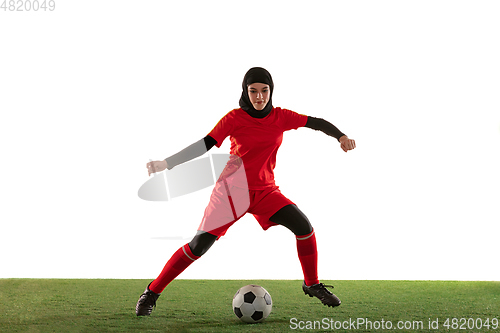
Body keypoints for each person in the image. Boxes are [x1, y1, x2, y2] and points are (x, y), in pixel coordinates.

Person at [136, 67, 356, 316]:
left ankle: (312, 284)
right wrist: (168, 163)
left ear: (271, 91)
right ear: (245, 91)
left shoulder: (281, 117)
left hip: (266, 192)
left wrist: (341, 136)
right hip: (231, 192)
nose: (259, 96)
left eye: (264, 91)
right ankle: (151, 292)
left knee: (304, 228)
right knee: (198, 246)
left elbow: (315, 123)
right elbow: (205, 144)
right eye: (253, 91)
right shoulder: (234, 118)